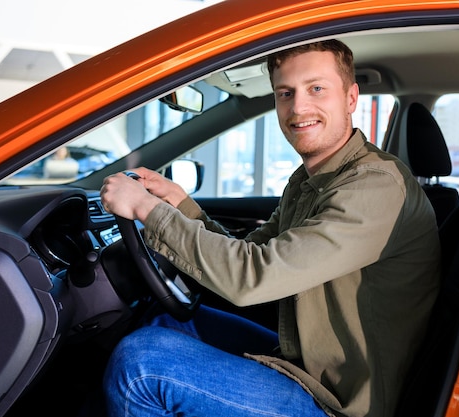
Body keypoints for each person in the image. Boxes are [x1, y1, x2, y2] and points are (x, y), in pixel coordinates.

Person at [100, 39, 441, 417]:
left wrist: (145, 208)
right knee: (166, 321)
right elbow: (250, 253)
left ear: (350, 98)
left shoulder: (375, 186)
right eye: (285, 93)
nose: (298, 107)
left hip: (338, 405)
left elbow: (251, 279)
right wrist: (181, 205)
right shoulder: (311, 180)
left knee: (141, 368)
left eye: (316, 89)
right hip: (304, 368)